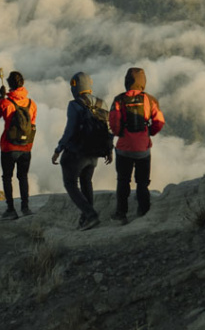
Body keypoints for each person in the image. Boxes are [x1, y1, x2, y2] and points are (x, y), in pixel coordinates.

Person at [52, 72, 112, 230]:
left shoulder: (74, 105)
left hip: (77, 153)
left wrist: (58, 149)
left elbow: (70, 131)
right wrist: (109, 151)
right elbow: (106, 130)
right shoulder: (102, 103)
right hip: (95, 153)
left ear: (75, 87)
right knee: (87, 182)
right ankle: (86, 217)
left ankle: (90, 215)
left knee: (70, 184)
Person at [108, 67, 167, 222]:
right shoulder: (150, 99)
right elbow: (159, 122)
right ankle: (144, 211)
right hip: (143, 149)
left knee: (123, 180)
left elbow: (113, 123)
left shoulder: (119, 100)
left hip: (124, 149)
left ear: (127, 81)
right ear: (143, 82)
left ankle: (121, 213)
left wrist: (120, 133)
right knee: (142, 182)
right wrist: (149, 134)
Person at [0, 70, 39, 220]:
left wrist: (1, 96)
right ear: (22, 84)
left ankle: (11, 209)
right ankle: (25, 207)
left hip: (8, 147)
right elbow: (32, 123)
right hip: (26, 147)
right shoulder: (32, 104)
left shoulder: (6, 103)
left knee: (7, 177)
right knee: (23, 176)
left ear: (10, 85)